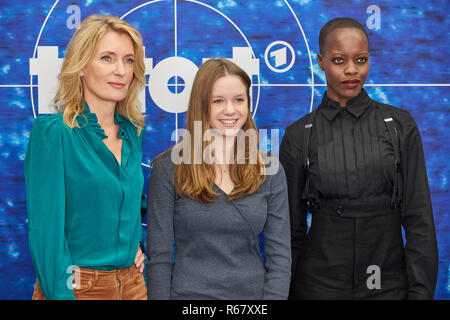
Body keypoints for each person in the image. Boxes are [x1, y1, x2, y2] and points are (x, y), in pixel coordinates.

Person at [280, 17, 439, 300]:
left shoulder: (400, 126)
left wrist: (421, 293)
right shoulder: (298, 136)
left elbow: (419, 221)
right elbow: (290, 233)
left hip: (387, 285)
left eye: (361, 59)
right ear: (320, 61)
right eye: (339, 60)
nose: (352, 70)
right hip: (318, 287)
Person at [146, 58, 291, 299]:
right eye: (218, 101)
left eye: (239, 100)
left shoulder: (270, 170)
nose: (230, 110)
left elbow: (280, 259)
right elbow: (159, 258)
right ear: (201, 106)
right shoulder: (168, 168)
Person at [25, 15, 147, 300]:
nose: (121, 70)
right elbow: (47, 235)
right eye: (107, 58)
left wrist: (135, 245)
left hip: (133, 286)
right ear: (81, 67)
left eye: (128, 60)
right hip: (77, 287)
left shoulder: (132, 132)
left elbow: (125, 201)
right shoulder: (54, 133)